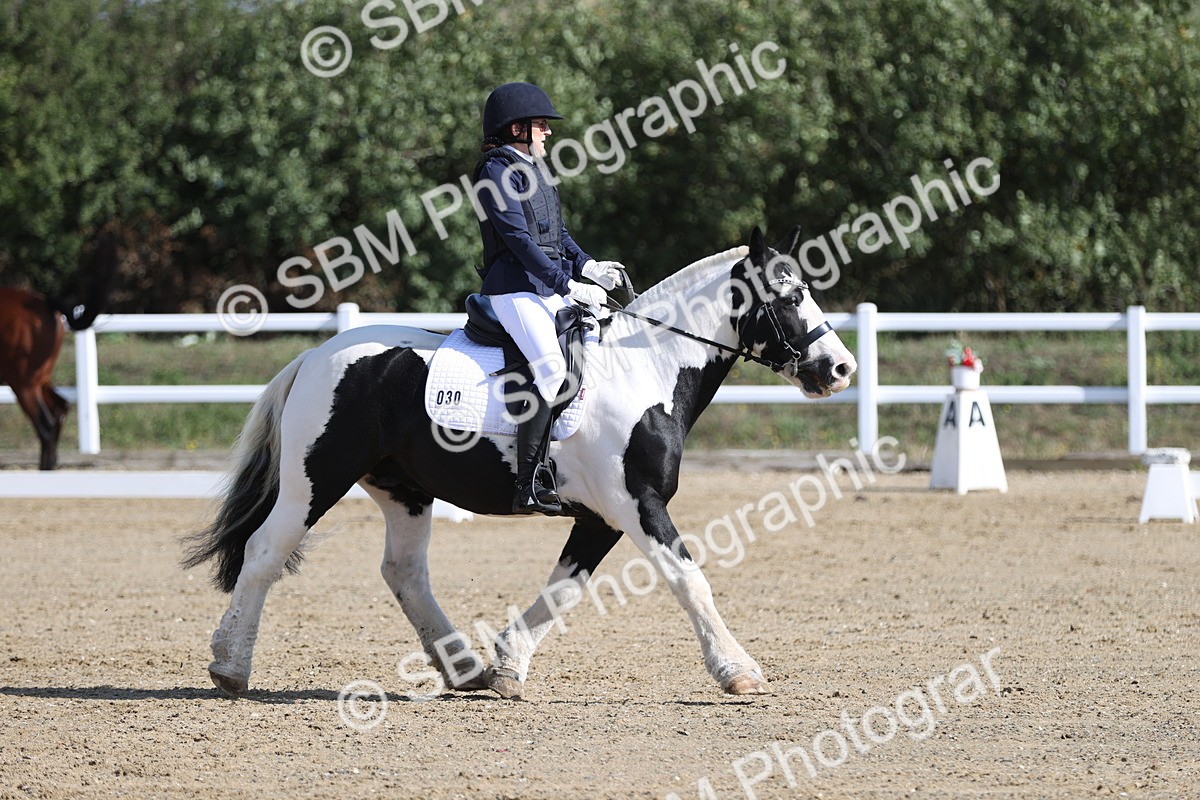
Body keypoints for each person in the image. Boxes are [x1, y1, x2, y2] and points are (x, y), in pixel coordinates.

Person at [473, 82, 626, 515]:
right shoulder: (495, 171)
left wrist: (590, 266)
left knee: (598, 345)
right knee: (553, 368)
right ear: (517, 128)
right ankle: (529, 482)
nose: (548, 132)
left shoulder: (534, 169)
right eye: (541, 125)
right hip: (514, 289)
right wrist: (568, 285)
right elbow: (519, 242)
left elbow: (557, 237)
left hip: (544, 285)